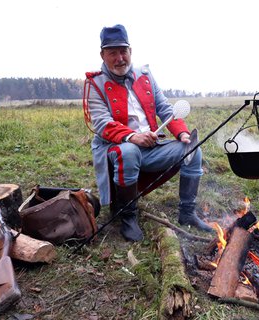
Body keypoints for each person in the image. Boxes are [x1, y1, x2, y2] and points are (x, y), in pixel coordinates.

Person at [83, 24, 212, 242]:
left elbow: (164, 108)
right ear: (102, 55)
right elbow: (102, 123)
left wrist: (182, 134)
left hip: (151, 145)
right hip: (114, 147)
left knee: (192, 150)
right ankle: (127, 215)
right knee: (130, 152)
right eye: (112, 53)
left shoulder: (144, 74)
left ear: (130, 51)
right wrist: (133, 137)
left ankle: (187, 214)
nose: (119, 58)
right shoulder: (94, 83)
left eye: (123, 51)